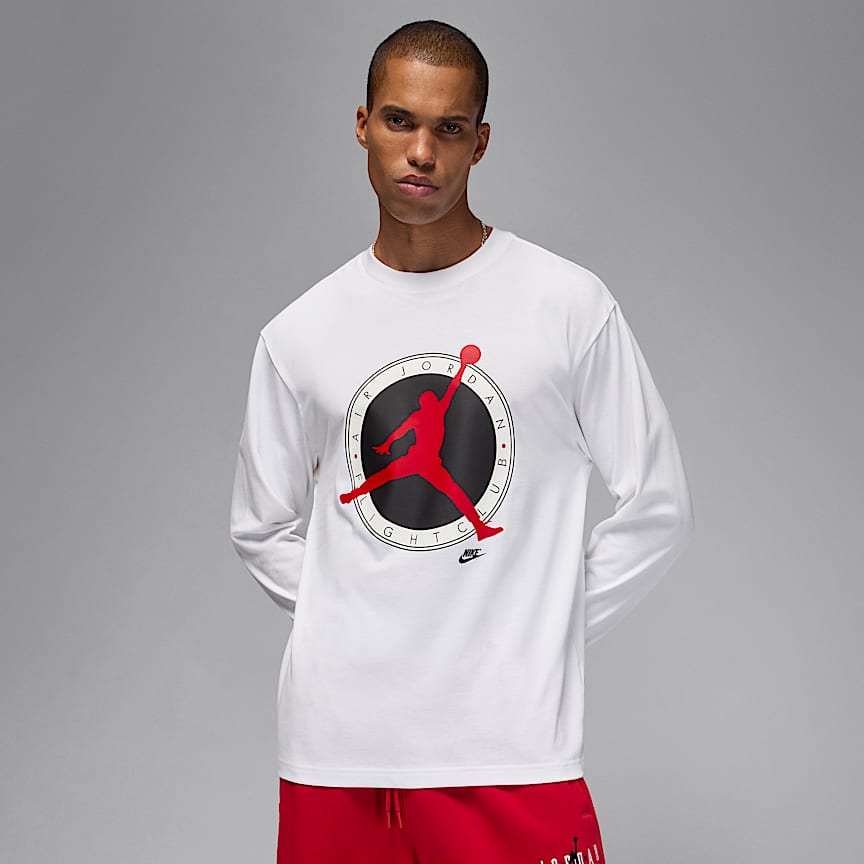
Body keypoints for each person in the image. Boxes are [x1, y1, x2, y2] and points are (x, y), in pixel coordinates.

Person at [229, 19, 694, 864]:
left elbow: (658, 507)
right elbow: (260, 527)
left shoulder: (566, 306)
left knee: (442, 494)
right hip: (338, 753)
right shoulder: (299, 334)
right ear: (363, 125)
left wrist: (543, 623)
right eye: (399, 121)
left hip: (513, 753)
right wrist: (360, 619)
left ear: (479, 142)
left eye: (448, 129)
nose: (421, 153)